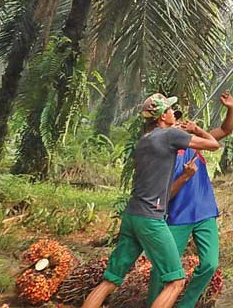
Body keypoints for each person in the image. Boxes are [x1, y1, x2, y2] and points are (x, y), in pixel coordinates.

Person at [83, 93, 220, 308]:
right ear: (162, 116)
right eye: (170, 110)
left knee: (111, 280)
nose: (173, 114)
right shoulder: (168, 136)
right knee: (175, 281)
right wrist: (195, 130)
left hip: (132, 215)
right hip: (150, 219)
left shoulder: (143, 141)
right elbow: (214, 145)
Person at [146, 91, 233, 308]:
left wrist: (231, 108)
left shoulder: (194, 142)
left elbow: (224, 131)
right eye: (171, 114)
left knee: (210, 264)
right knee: (164, 269)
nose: (177, 118)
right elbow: (164, 196)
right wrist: (185, 177)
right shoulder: (160, 152)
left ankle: (185, 304)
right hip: (177, 217)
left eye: (177, 115)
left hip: (205, 213)